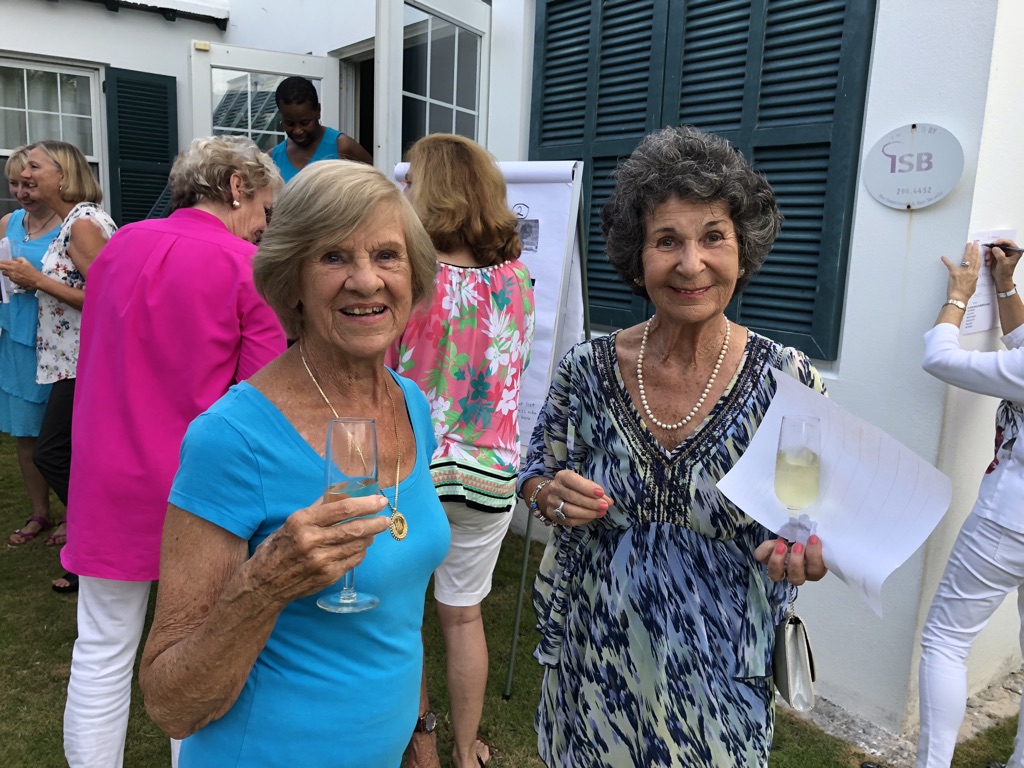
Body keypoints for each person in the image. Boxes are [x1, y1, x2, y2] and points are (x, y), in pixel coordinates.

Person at [517, 125, 829, 767]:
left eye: (713, 236)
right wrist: (548, 495)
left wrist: (806, 553)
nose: (691, 264)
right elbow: (534, 472)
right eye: (667, 241)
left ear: (743, 248)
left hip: (718, 682)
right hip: (593, 664)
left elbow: (818, 519)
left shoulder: (788, 382)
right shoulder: (588, 370)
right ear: (638, 257)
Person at [139, 160, 449, 768]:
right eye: (333, 257)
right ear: (292, 281)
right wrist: (264, 586)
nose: (366, 280)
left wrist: (421, 736)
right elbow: (170, 704)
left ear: (413, 274)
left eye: (387, 255)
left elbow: (400, 608)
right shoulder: (232, 438)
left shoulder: (410, 403)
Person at [58, 135, 287, 768]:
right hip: (199, 487)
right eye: (265, 210)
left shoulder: (119, 245)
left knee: (101, 647)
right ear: (237, 188)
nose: (265, 226)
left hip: (105, 470)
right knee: (194, 656)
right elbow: (261, 401)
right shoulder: (246, 267)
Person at [390, 133, 535, 768]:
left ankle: (420, 745)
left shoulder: (412, 276)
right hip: (491, 472)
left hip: (414, 468)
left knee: (402, 616)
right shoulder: (517, 278)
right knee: (464, 616)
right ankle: (466, 749)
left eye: (410, 180)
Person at [916, 239, 1024, 768]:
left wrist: (958, 295)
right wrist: (1004, 286)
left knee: (946, 641)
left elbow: (939, 358)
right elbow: (1022, 346)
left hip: (1010, 523)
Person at [1, 140, 118, 592]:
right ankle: (88, 552)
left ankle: (101, 539)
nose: (25, 174)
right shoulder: (74, 220)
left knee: (51, 452)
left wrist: (37, 280)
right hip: (69, 359)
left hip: (84, 360)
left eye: (35, 166)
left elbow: (109, 299)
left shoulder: (83, 223)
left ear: (63, 175)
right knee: (69, 454)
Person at [0, 147, 60, 546]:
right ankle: (40, 511)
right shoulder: (7, 223)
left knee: (65, 434)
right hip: (15, 338)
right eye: (14, 185)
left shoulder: (71, 225)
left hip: (57, 339)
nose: (22, 193)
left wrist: (34, 279)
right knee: (26, 433)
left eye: (29, 184)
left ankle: (74, 513)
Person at [269, 75, 372, 182]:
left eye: (305, 123)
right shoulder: (273, 158)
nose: (298, 131)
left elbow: (378, 183)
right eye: (289, 124)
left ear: (318, 111)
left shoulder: (342, 146)